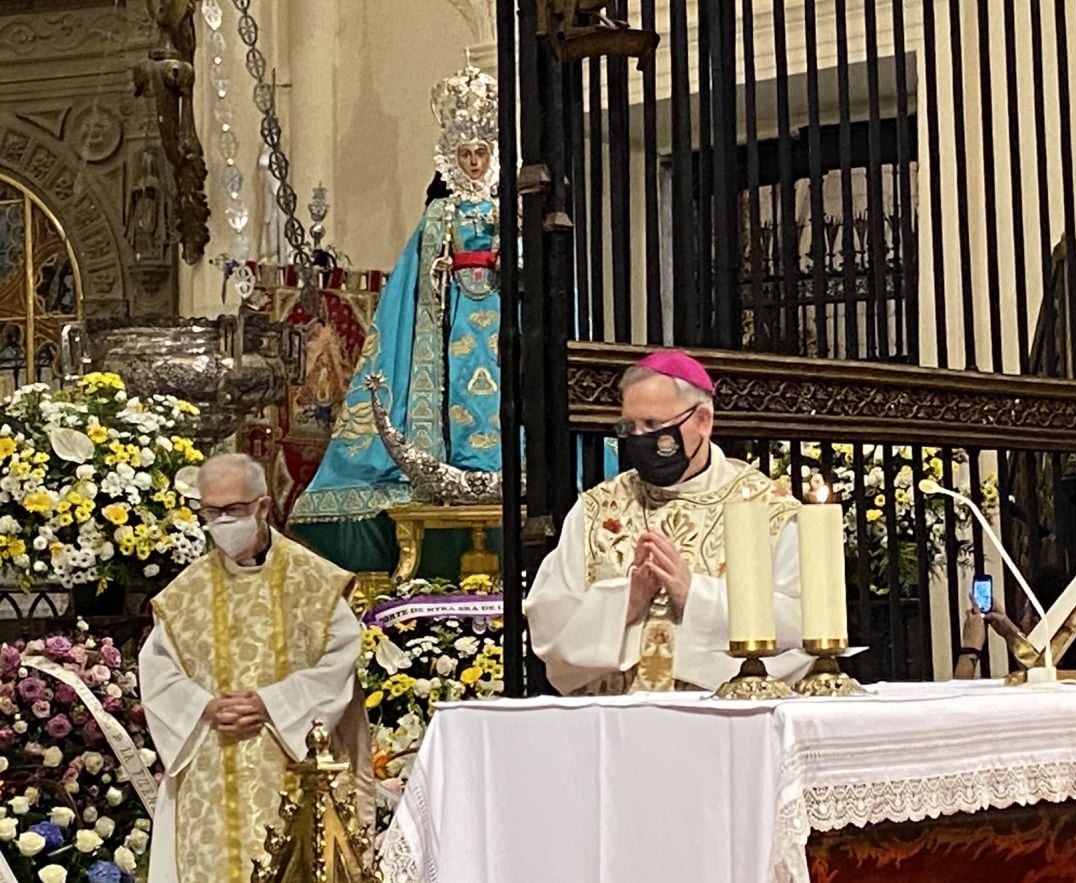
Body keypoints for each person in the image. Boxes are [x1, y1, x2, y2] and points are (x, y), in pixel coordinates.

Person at [290, 61, 502, 575]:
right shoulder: (438, 216)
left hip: (497, 315)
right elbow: (418, 278)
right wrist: (443, 278)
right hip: (451, 316)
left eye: (481, 154)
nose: (474, 163)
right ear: (452, 160)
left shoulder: (509, 212)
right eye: (465, 155)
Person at [139, 453, 372, 882]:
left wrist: (272, 702)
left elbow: (341, 660)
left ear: (264, 507)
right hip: (210, 772)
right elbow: (158, 672)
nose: (222, 521)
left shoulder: (316, 581)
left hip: (292, 765)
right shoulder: (183, 594)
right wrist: (203, 706)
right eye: (212, 511)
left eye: (235, 510)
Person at [524, 350, 807, 694]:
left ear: (702, 420)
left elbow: (804, 623)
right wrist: (625, 602)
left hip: (720, 726)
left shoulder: (768, 511)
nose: (639, 438)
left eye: (653, 426)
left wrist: (694, 594)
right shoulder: (597, 509)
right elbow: (548, 625)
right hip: (612, 724)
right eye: (630, 427)